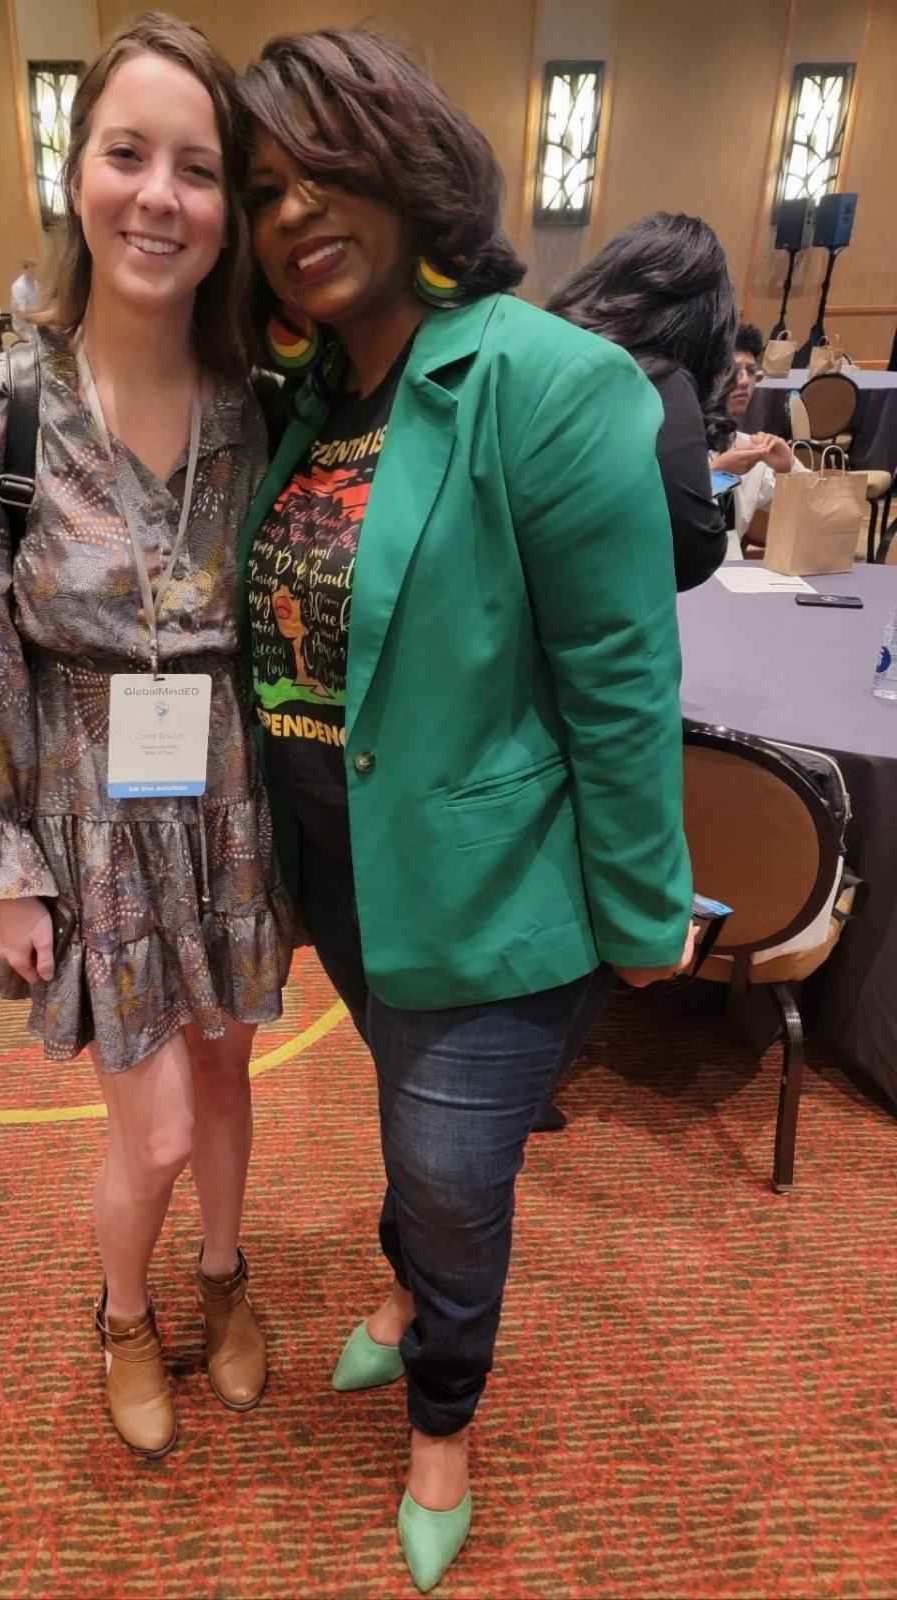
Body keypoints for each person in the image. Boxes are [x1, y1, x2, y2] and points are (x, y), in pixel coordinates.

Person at [238, 29, 697, 1592]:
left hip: (495, 887)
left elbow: (621, 683)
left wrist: (644, 911)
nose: (294, 210)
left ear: (412, 165)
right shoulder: (314, 398)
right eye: (265, 188)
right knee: (417, 1133)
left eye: (327, 166)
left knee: (449, 1171)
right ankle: (403, 1290)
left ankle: (443, 1414)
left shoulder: (550, 382)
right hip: (349, 874)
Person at [0, 13, 293, 1465]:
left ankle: (224, 1276)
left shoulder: (259, 408)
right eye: (128, 154)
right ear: (74, 170)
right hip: (87, 806)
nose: (159, 196)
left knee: (227, 1077)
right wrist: (8, 872)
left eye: (196, 169)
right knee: (153, 1129)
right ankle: (123, 1314)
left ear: (228, 212)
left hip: (230, 798)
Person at [547, 212, 738, 592]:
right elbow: (691, 553)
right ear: (709, 319)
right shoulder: (661, 383)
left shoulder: (545, 349)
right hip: (582, 611)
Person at [709, 321, 806, 552]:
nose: (744, 381)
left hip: (732, 570)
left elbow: (815, 509)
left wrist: (789, 469)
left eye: (751, 372)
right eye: (732, 370)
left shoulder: (748, 449)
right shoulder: (670, 442)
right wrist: (714, 474)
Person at [10, 258, 39, 335]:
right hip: (22, 327)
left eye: (35, 272)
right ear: (24, 271)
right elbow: (22, 313)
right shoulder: (19, 287)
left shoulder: (36, 284)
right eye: (31, 272)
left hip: (33, 324)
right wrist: (40, 311)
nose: (34, 275)